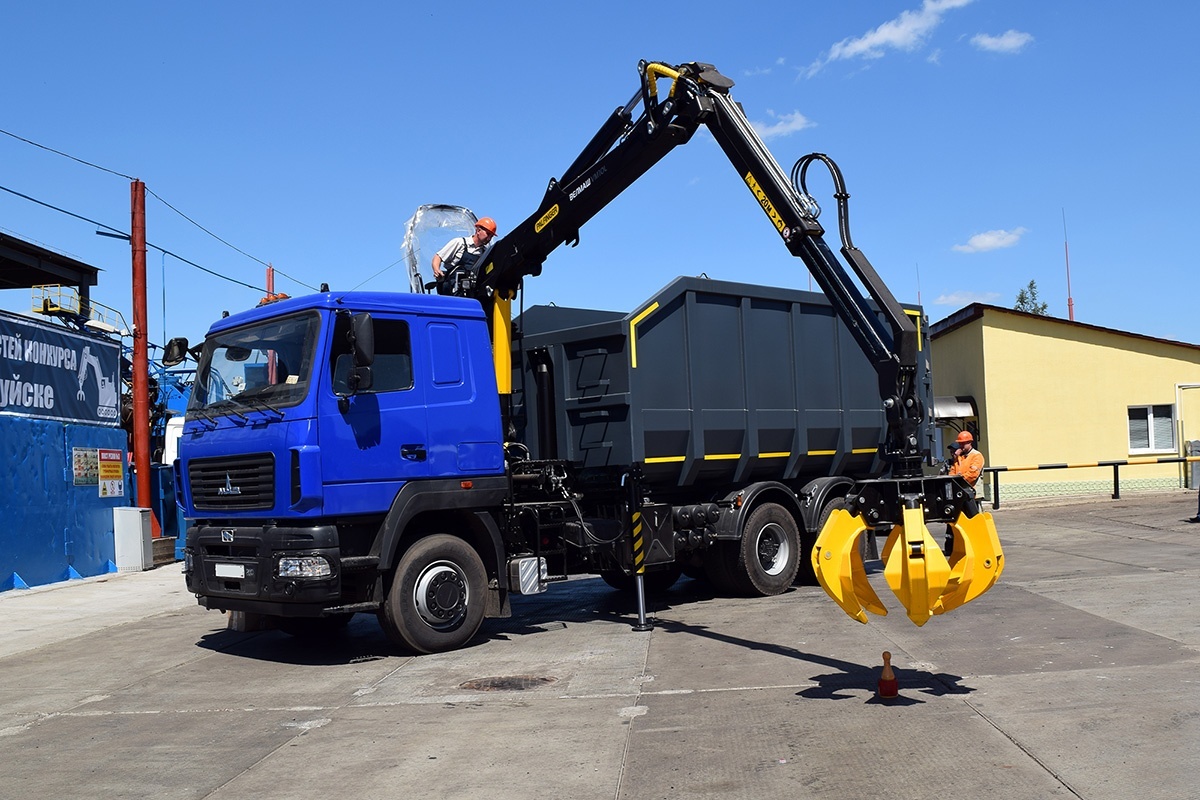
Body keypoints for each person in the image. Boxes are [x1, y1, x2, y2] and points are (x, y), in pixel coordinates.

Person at [431, 216, 497, 294]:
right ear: (478, 230)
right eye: (488, 234)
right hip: (451, 291)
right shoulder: (459, 243)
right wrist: (437, 270)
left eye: (491, 236)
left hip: (471, 293)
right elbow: (438, 257)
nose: (489, 238)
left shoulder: (485, 253)